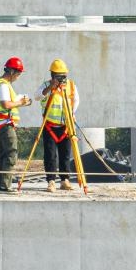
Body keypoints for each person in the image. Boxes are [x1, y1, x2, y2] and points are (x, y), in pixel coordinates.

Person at [0, 57, 31, 193]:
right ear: (12, 71)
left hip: (2, 124)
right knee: (11, 154)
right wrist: (21, 103)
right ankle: (6, 185)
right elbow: (6, 104)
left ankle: (0, 185)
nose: (18, 77)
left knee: (2, 155)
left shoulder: (2, 84)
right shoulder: (3, 85)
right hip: (6, 125)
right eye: (18, 74)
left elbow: (9, 101)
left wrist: (20, 100)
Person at [39, 59, 79, 191]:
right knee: (50, 155)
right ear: (52, 75)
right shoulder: (46, 85)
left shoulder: (71, 86)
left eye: (63, 75)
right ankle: (51, 181)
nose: (61, 78)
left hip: (65, 126)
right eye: (58, 75)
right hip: (50, 126)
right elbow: (37, 96)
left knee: (65, 154)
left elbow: (76, 100)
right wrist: (50, 87)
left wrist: (72, 112)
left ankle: (64, 180)